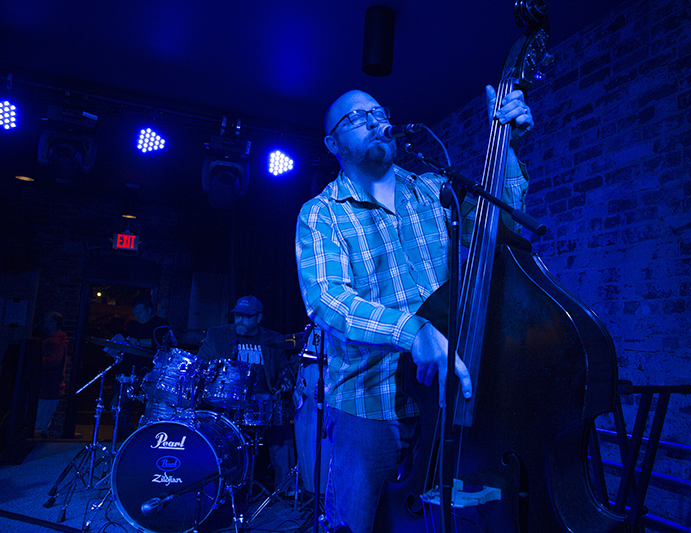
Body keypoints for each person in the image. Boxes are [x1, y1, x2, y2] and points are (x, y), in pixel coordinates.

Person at [294, 87, 533, 532]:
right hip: (369, 408)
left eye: (378, 111)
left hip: (444, 404)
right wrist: (414, 331)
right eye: (355, 118)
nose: (371, 119)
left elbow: (504, 235)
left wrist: (509, 149)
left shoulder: (432, 192)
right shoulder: (321, 213)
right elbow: (329, 301)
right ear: (332, 143)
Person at [197, 295, 297, 493]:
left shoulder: (272, 339)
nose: (241, 320)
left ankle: (286, 488)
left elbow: (285, 371)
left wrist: (285, 383)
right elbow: (201, 366)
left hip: (261, 402)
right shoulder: (217, 336)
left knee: (282, 428)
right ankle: (217, 485)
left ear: (258, 318)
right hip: (225, 401)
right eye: (238, 316)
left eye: (247, 316)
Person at [109, 294, 169, 440]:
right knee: (117, 408)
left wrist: (134, 342)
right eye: (135, 313)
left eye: (140, 313)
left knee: (145, 412)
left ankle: (136, 441)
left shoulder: (160, 325)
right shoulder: (131, 325)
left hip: (147, 375)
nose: (137, 316)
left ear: (149, 310)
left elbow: (160, 345)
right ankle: (128, 440)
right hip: (126, 373)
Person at [35, 311, 68, 438]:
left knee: (39, 425)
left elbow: (53, 361)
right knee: (40, 424)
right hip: (50, 389)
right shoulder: (56, 341)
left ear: (53, 324)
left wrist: (35, 361)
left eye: (46, 321)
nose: (42, 323)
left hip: (48, 389)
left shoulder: (54, 342)